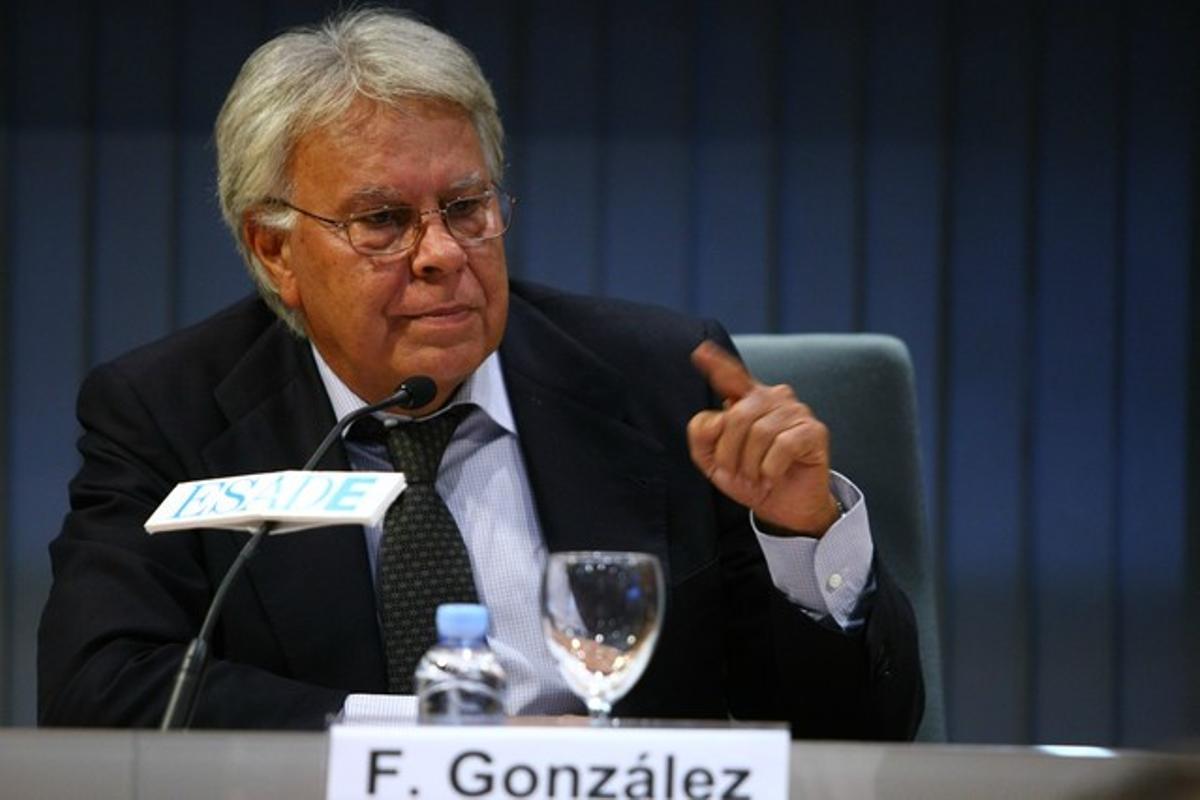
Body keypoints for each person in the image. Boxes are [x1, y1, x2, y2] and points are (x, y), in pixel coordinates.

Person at [37, 8, 923, 738]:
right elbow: (104, 693)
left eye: (467, 208)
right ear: (276, 251)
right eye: (382, 220)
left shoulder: (657, 382)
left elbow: (862, 733)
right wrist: (440, 737)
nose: (441, 254)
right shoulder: (167, 413)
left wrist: (802, 540)